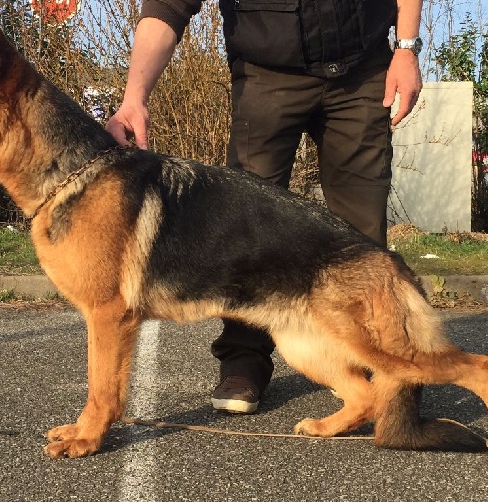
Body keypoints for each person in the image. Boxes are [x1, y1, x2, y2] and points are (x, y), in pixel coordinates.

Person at [106, 0, 424, 414]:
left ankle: (371, 364)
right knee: (245, 227)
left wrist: (406, 48)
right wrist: (135, 95)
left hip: (363, 72)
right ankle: (244, 361)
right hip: (266, 76)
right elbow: (168, 5)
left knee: (360, 232)